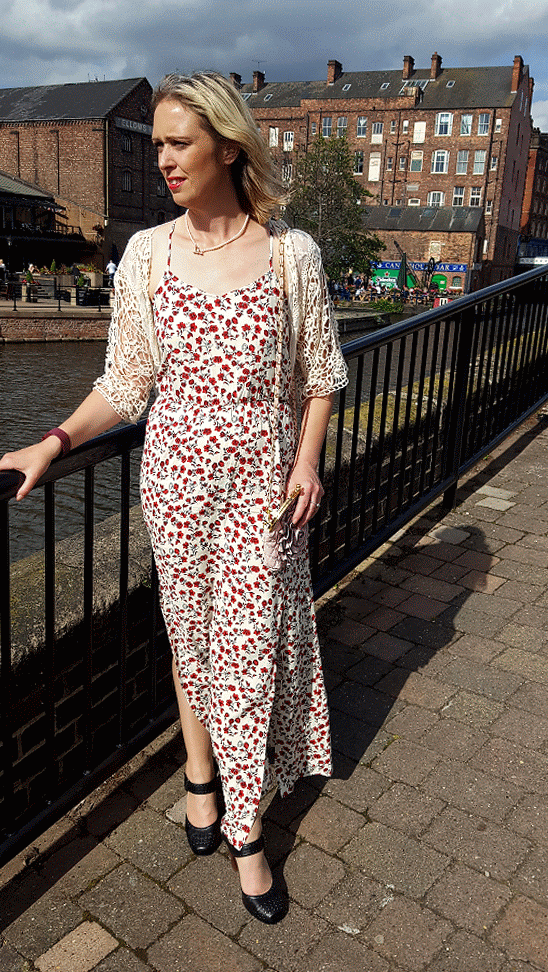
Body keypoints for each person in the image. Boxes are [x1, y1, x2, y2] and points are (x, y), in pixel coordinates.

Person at [0, 71, 348, 925]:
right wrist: (52, 441)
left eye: (178, 142)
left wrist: (307, 463)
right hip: (176, 489)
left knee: (248, 656)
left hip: (264, 494)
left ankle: (246, 831)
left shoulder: (291, 253)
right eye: (156, 143)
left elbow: (321, 376)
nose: (162, 159)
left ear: (227, 146)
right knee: (189, 641)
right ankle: (199, 776)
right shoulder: (148, 256)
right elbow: (126, 383)